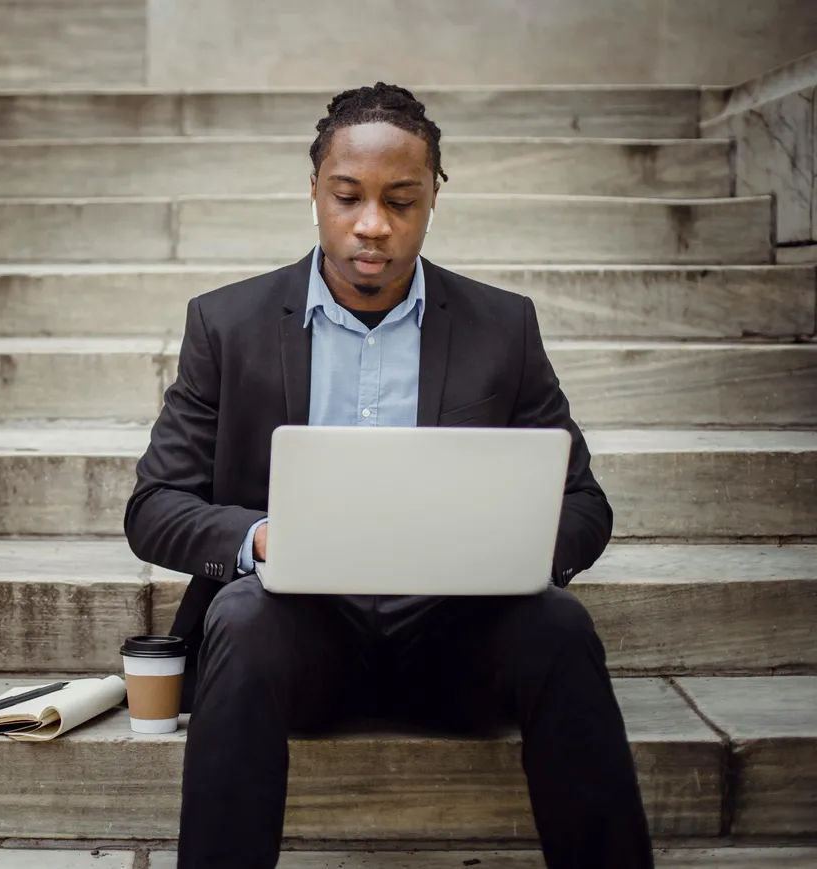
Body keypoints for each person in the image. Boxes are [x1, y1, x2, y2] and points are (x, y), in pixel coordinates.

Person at [123, 82, 654, 869]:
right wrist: (263, 538)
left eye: (401, 200)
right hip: (297, 642)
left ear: (433, 198)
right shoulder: (225, 324)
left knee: (561, 626)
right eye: (348, 197)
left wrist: (511, 545)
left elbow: (584, 506)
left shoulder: (502, 327)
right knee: (237, 615)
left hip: (457, 641)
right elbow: (155, 505)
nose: (373, 225)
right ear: (314, 192)